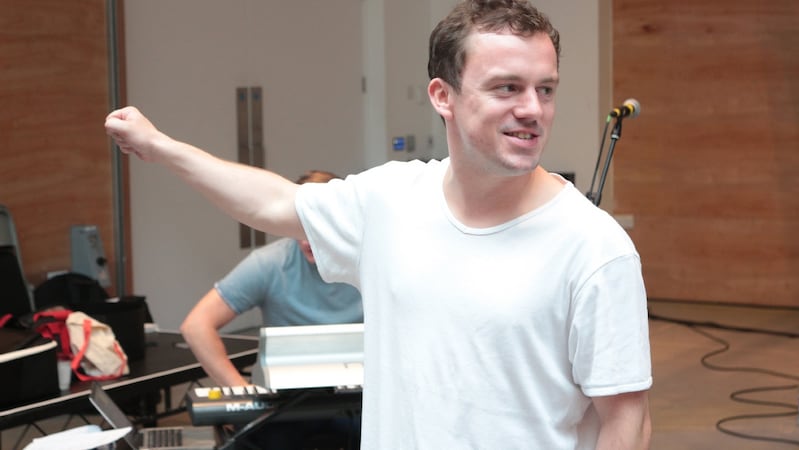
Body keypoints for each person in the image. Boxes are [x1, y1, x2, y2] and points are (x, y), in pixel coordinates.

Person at [105, 1, 652, 448]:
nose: (533, 108)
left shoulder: (595, 248)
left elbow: (625, 420)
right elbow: (275, 204)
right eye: (507, 88)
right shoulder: (390, 199)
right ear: (443, 96)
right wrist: (163, 148)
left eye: (546, 88)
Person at [179, 169, 363, 450]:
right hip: (282, 405)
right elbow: (196, 326)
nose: (304, 238)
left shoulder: (370, 262)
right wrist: (240, 389)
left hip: (359, 400)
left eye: (314, 225)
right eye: (297, 224)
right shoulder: (270, 263)